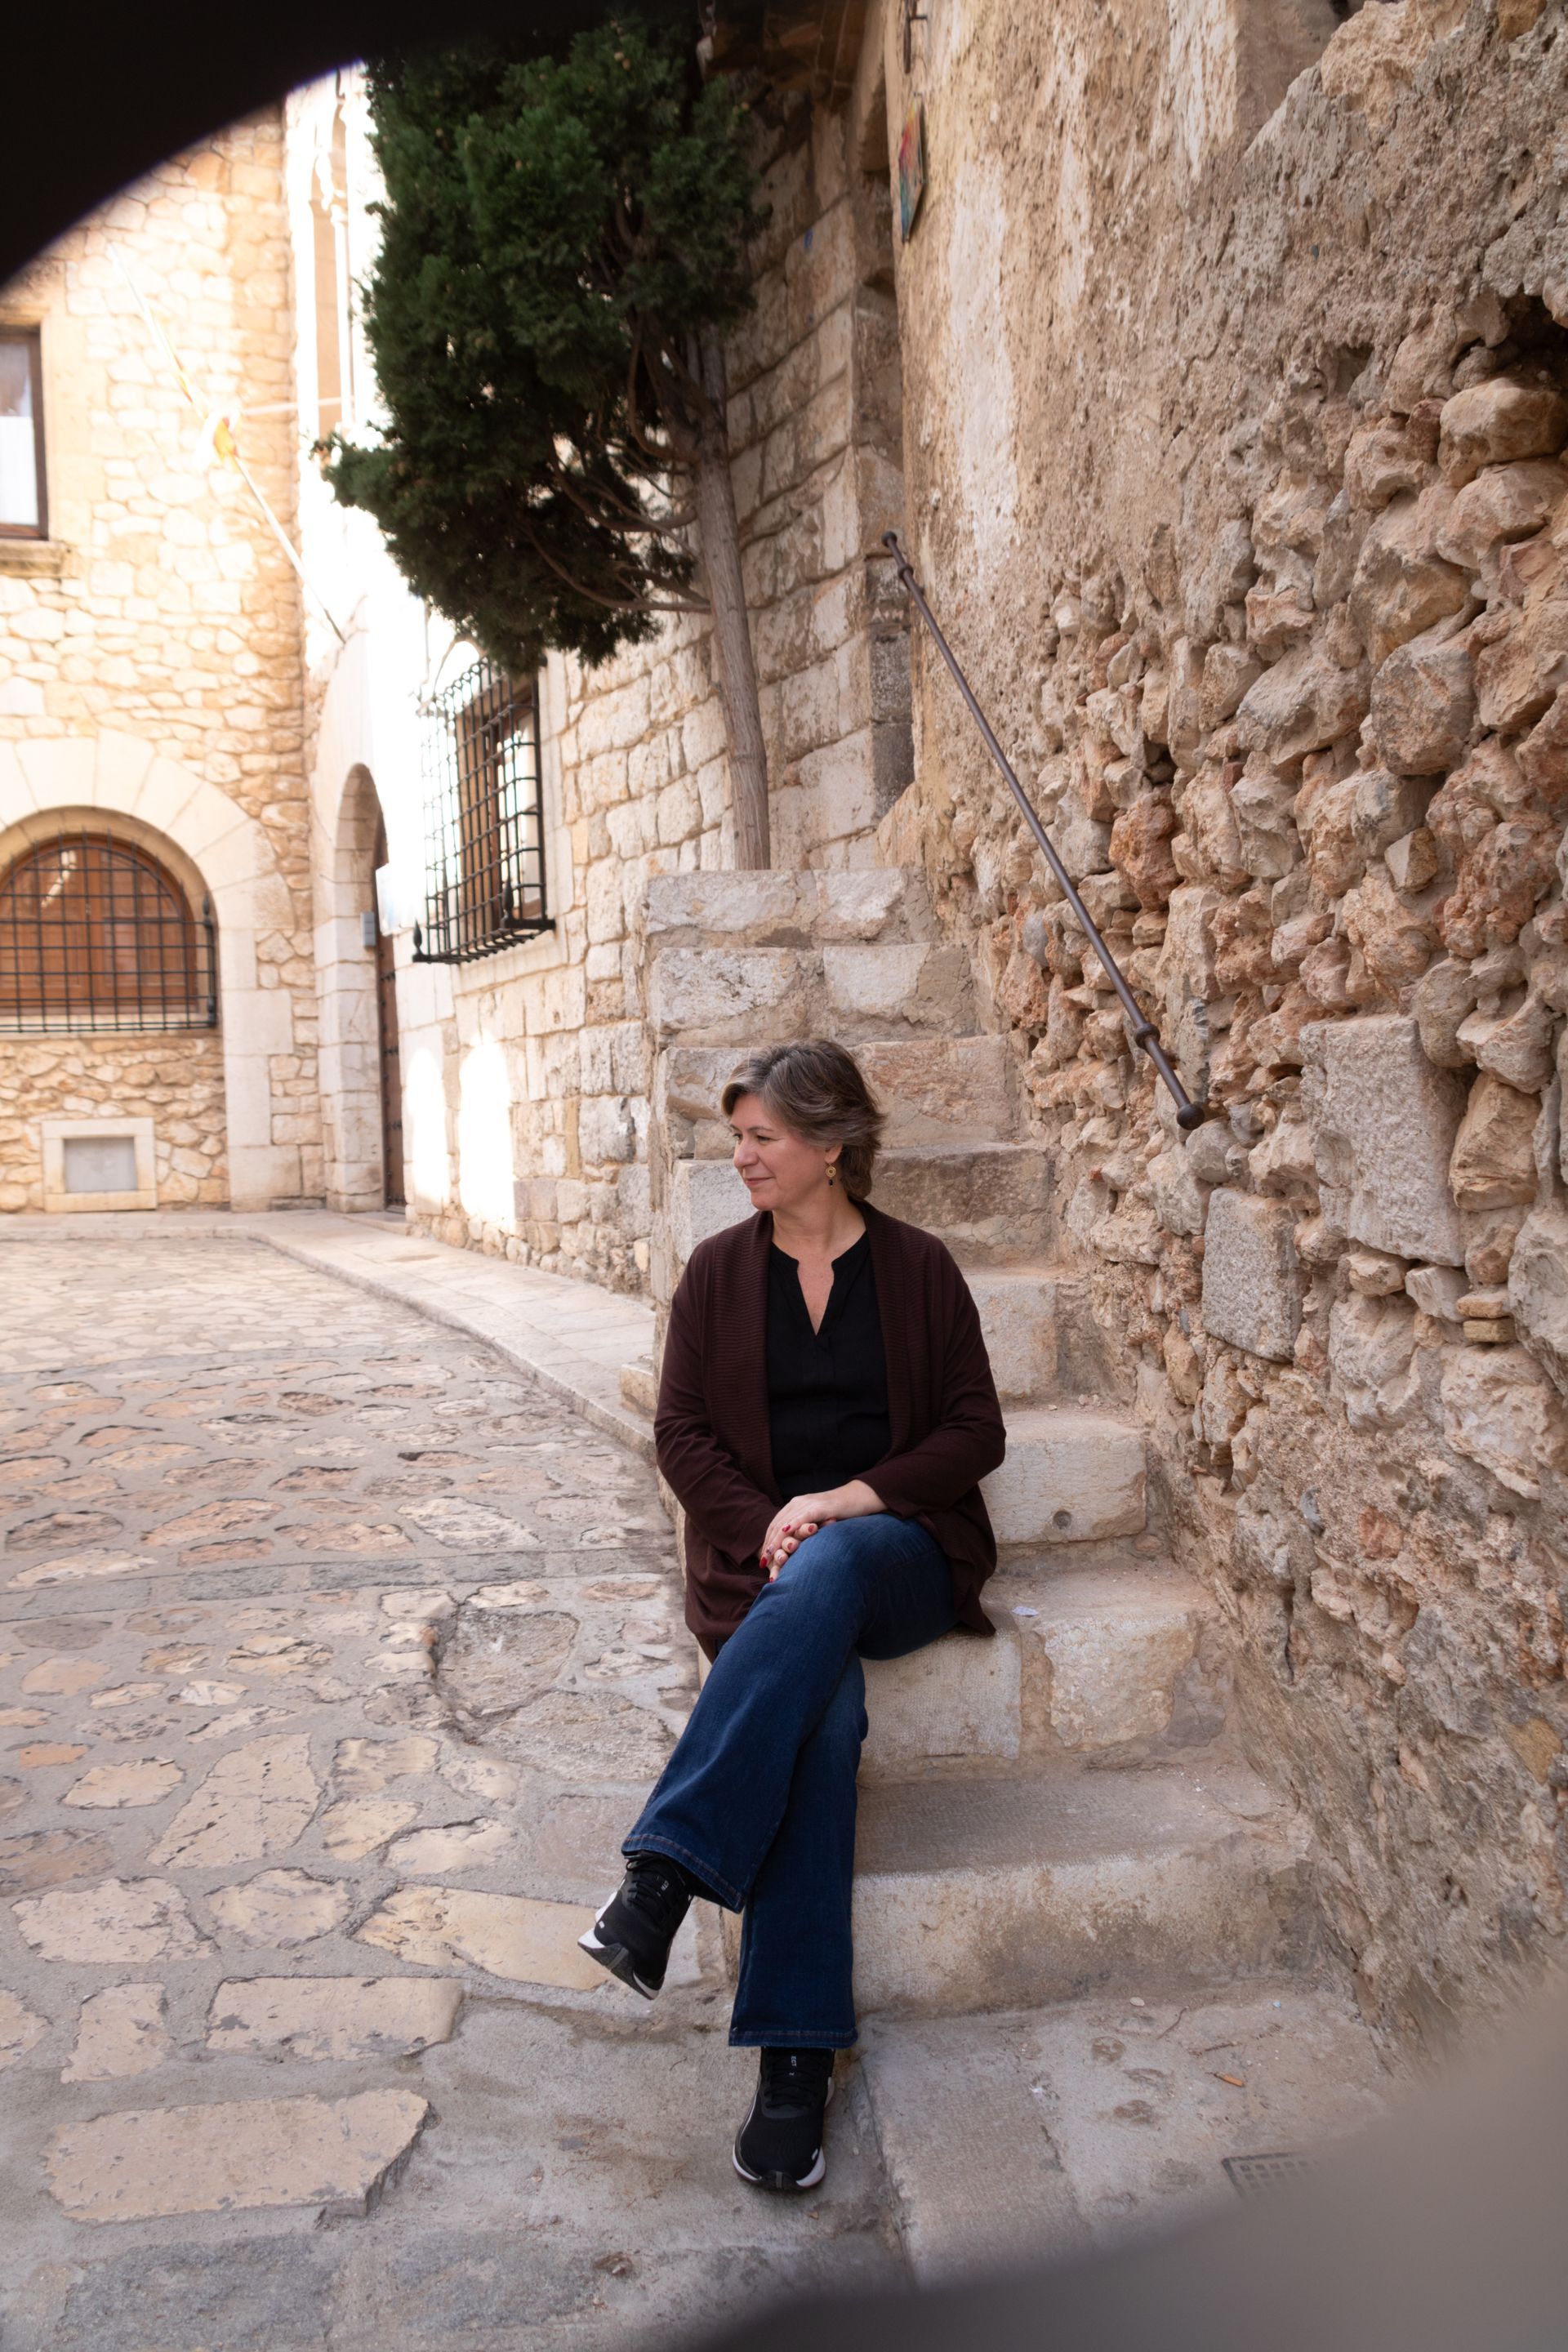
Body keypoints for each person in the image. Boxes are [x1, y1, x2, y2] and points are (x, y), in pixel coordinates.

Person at [579, 1038, 1007, 2191]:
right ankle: (794, 2059)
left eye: (762, 1137)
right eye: (738, 1136)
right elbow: (681, 1436)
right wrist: (768, 1528)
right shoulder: (719, 1274)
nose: (742, 1157)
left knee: (837, 1562)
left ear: (830, 1145)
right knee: (819, 1723)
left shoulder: (918, 1269)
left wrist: (837, 1504)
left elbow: (974, 1432)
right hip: (764, 1571)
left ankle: (663, 1876)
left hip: (900, 1551)